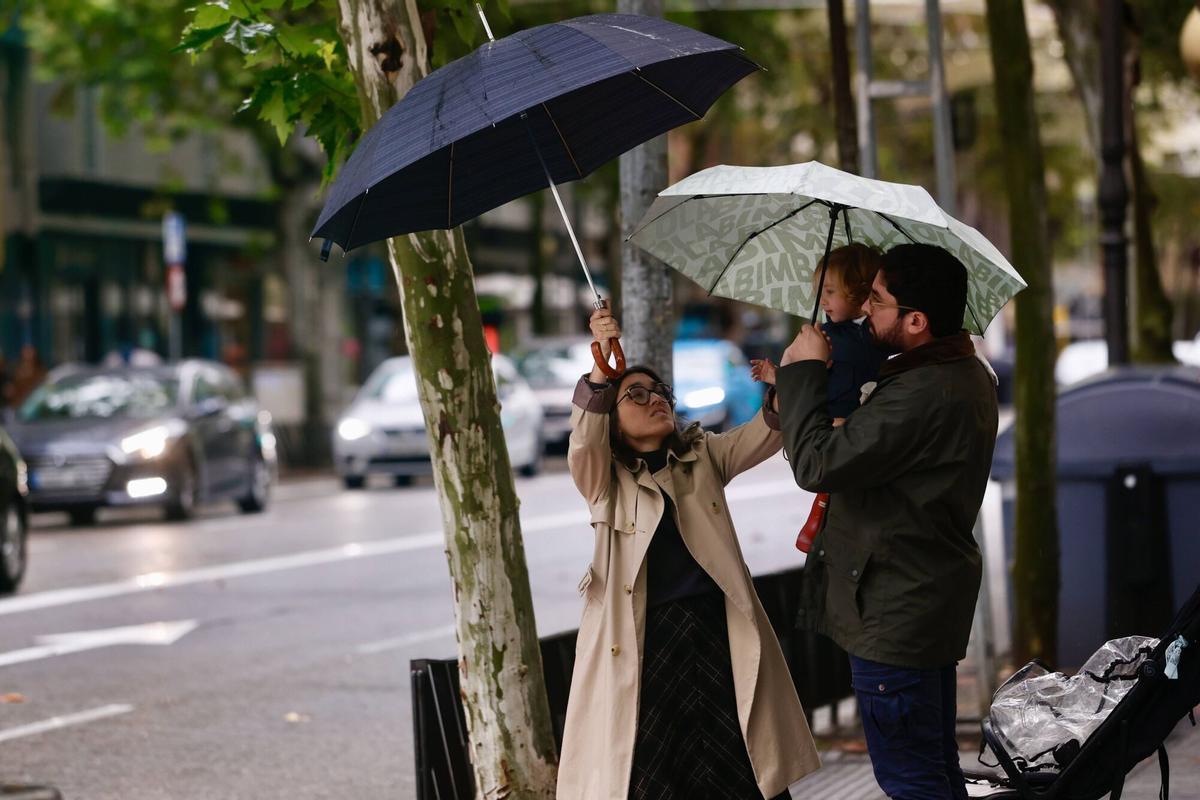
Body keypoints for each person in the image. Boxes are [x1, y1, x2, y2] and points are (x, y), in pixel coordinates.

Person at [558, 303, 819, 800]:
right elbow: (582, 444)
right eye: (635, 394)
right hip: (641, 645)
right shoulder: (604, 480)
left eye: (660, 392)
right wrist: (600, 372)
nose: (654, 399)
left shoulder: (702, 456)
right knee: (655, 777)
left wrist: (793, 381)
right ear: (611, 421)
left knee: (739, 770)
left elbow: (764, 434)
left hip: (715, 634)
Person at [774, 243, 1000, 800]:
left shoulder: (924, 392)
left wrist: (801, 371)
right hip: (917, 601)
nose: (864, 310)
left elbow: (817, 463)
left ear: (916, 320)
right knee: (933, 770)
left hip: (896, 613)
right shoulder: (946, 373)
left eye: (877, 300)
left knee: (911, 780)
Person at [751, 243, 887, 550]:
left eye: (830, 291)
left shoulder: (846, 338)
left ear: (860, 292)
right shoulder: (847, 336)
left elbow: (812, 383)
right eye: (819, 291)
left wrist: (790, 369)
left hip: (835, 425)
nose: (821, 300)